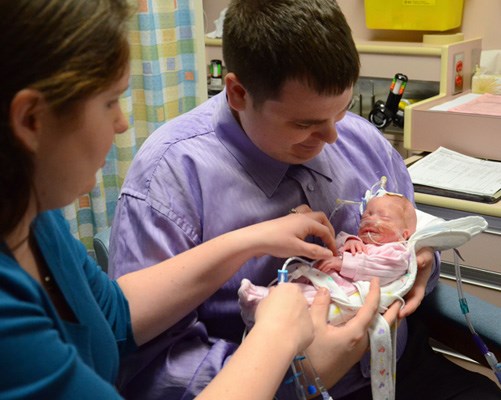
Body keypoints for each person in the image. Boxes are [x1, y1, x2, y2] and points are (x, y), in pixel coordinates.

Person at [0, 1, 394, 399]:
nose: (122, 124)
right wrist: (281, 346)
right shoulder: (8, 318)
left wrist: (251, 239)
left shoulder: (34, 222)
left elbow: (114, 313)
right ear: (32, 120)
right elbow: (153, 369)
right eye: (109, 102)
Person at [109, 0, 501, 399]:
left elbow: (415, 230)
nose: (332, 138)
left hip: (401, 367)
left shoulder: (359, 139)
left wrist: (422, 260)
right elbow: (152, 369)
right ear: (238, 93)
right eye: (305, 123)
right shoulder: (170, 176)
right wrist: (297, 373)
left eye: (342, 111)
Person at [239, 193, 419, 326]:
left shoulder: (396, 252)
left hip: (339, 294)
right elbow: (336, 241)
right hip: (321, 278)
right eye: (367, 215)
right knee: (292, 287)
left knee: (300, 298)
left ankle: (261, 303)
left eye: (384, 217)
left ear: (403, 234)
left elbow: (384, 269)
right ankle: (262, 303)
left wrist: (344, 263)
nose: (371, 219)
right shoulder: (358, 241)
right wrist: (349, 240)